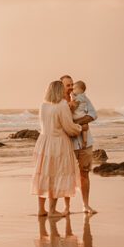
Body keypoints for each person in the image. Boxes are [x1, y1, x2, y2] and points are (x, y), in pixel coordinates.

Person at [30, 80, 84, 217]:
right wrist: (79, 128)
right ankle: (52, 210)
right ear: (59, 91)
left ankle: (41, 209)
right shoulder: (62, 105)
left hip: (43, 142)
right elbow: (68, 126)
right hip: (58, 143)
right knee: (56, 174)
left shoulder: (43, 105)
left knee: (43, 174)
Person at [61, 75, 97, 214]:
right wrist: (78, 125)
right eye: (68, 85)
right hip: (67, 143)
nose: (70, 88)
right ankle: (66, 207)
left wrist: (77, 123)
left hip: (85, 143)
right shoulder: (59, 102)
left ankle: (86, 205)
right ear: (61, 86)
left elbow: (93, 115)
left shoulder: (82, 98)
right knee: (67, 175)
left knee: (84, 174)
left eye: (71, 85)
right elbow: (62, 122)